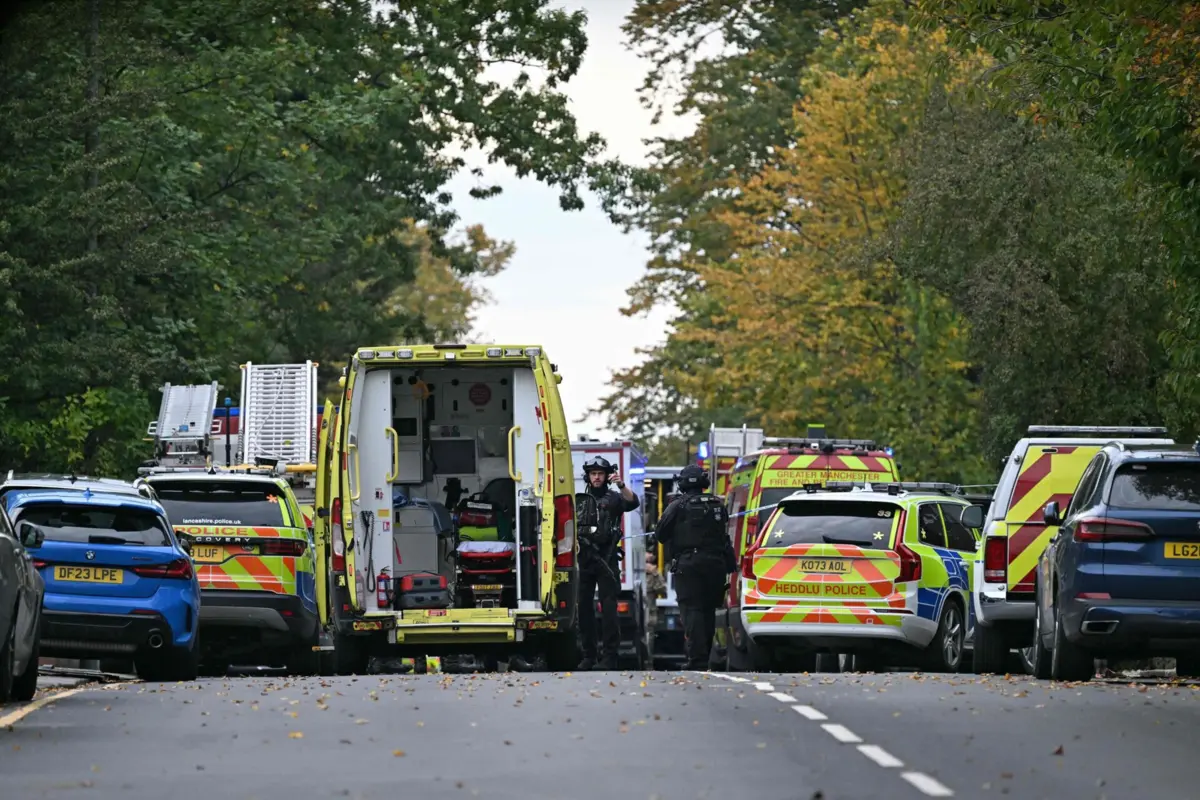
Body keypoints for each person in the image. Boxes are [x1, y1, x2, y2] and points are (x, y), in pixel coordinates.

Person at [654, 465, 736, 670]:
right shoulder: (717, 504)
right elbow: (724, 534)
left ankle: (697, 661)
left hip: (689, 565)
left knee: (692, 612)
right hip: (716, 565)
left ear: (682, 483)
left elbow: (660, 535)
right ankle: (704, 658)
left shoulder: (677, 505)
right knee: (708, 612)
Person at [576, 455, 639, 670]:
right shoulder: (580, 499)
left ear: (606, 476)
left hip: (606, 560)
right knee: (583, 608)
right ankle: (589, 656)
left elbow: (633, 502)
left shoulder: (614, 498)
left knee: (610, 609)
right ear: (588, 476)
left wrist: (620, 484)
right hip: (584, 560)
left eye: (600, 474)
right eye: (593, 474)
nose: (596, 478)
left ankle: (610, 657)